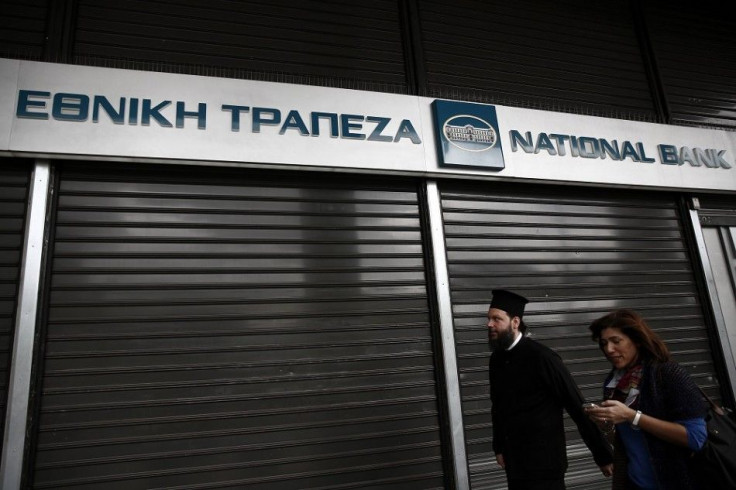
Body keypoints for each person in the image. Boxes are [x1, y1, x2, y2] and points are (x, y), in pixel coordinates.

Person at [487, 289, 613, 490]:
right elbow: (498, 407)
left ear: (515, 322)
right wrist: (499, 447)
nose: (489, 324)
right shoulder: (496, 360)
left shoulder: (542, 358)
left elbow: (577, 405)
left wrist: (603, 455)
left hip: (544, 466)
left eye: (496, 319)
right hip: (514, 464)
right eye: (489, 318)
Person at [584, 309, 707, 490]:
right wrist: (606, 424)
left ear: (637, 341)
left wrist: (632, 416)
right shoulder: (614, 383)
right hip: (635, 483)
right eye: (604, 343)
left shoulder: (667, 374)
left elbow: (696, 438)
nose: (609, 349)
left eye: (616, 341)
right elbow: (625, 441)